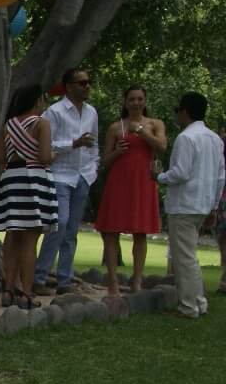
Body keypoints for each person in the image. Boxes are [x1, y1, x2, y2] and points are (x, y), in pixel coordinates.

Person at [155, 91, 222, 318]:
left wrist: (159, 176)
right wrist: (213, 205)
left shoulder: (186, 138)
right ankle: (199, 302)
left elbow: (181, 173)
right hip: (202, 204)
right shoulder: (214, 139)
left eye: (177, 111)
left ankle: (188, 306)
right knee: (189, 255)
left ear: (184, 112)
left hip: (184, 204)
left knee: (184, 258)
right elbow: (220, 176)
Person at [0, 83, 57, 310]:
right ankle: (27, 293)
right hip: (33, 180)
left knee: (12, 235)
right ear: (36, 100)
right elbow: (45, 156)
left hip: (12, 179)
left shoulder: (7, 126)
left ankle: (8, 289)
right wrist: (54, 154)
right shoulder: (41, 123)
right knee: (30, 239)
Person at [95, 85, 167, 296]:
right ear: (125, 102)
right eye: (132, 99)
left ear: (145, 101)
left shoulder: (155, 124)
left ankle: (137, 279)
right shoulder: (115, 128)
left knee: (140, 232)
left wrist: (142, 132)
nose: (136, 103)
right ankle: (113, 281)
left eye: (140, 99)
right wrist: (117, 152)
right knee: (110, 231)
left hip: (143, 182)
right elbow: (105, 161)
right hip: (119, 182)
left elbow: (162, 147)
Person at [35, 68, 99, 295]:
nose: (87, 86)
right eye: (82, 83)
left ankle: (64, 280)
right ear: (69, 86)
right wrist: (74, 143)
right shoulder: (55, 112)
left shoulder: (91, 112)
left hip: (83, 175)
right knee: (59, 223)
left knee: (72, 230)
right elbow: (46, 144)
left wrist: (93, 169)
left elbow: (94, 143)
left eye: (88, 82)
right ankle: (39, 276)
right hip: (60, 175)